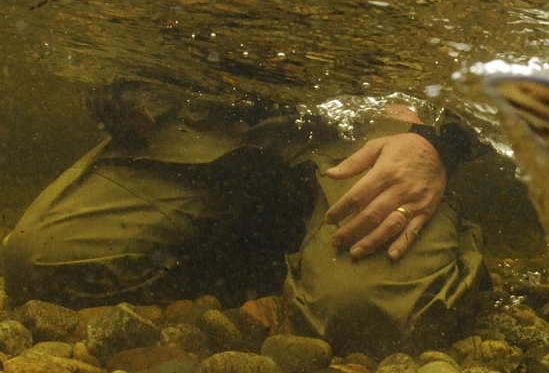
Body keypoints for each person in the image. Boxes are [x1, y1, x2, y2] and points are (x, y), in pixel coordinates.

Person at [1, 83, 489, 354]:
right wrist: (115, 89)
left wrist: (440, 144)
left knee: (364, 318)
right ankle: (263, 254)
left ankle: (444, 248)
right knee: (36, 260)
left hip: (372, 115)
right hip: (212, 115)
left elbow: (518, 63)